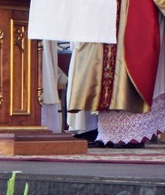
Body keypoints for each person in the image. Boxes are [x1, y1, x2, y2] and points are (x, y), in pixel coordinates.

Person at [65, 0, 165, 146]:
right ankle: (109, 135)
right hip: (104, 11)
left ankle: (132, 136)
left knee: (132, 65)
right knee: (101, 69)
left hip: (136, 11)